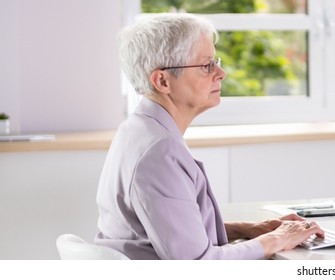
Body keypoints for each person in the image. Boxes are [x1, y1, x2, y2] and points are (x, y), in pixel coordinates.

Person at [95, 13, 323, 260]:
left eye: (216, 61)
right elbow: (197, 263)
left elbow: (174, 233)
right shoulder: (159, 150)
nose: (221, 73)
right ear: (162, 80)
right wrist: (276, 239)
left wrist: (250, 229)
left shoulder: (139, 129)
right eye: (206, 66)